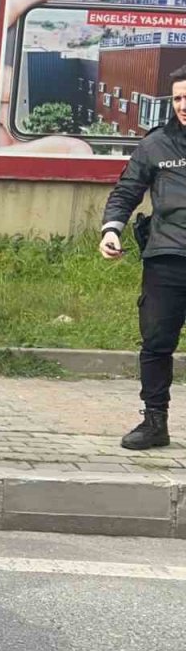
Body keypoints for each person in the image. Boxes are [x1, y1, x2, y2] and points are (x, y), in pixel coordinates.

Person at [99, 65, 186, 451]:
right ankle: (155, 422)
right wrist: (111, 230)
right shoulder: (156, 144)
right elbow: (126, 191)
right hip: (166, 257)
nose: (183, 105)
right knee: (156, 343)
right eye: (178, 98)